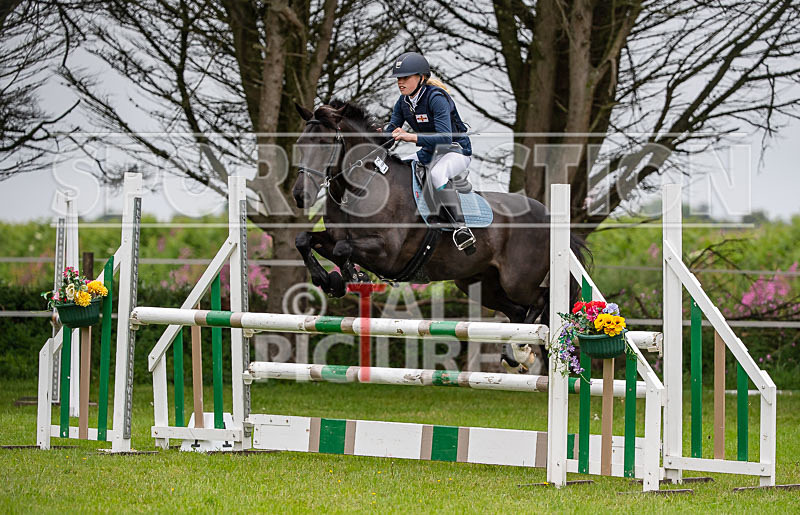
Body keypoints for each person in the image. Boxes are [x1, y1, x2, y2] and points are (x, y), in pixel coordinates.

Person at [384, 51, 476, 254]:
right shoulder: (403, 102)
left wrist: (410, 137)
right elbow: (392, 129)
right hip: (430, 152)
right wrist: (377, 137)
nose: (400, 82)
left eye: (405, 78)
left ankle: (461, 228)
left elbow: (445, 138)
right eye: (398, 78)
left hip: (456, 151)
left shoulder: (436, 98)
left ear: (421, 77)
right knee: (397, 168)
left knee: (437, 174)